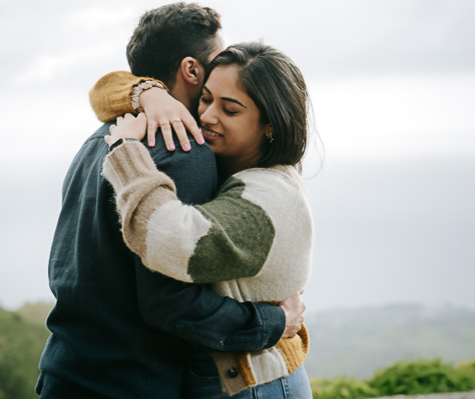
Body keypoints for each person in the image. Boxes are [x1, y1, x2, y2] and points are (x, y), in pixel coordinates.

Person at [36, 4, 305, 399]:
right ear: (192, 70)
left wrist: (143, 92)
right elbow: (172, 301)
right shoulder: (184, 148)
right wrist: (272, 321)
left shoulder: (101, 137)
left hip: (65, 368)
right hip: (130, 380)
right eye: (218, 60)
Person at [93, 42, 314, 399]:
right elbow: (105, 88)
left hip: (258, 385)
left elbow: (172, 241)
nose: (207, 116)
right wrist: (151, 95)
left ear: (270, 125)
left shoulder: (272, 192)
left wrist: (126, 153)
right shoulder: (229, 165)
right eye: (206, 98)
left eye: (230, 109)